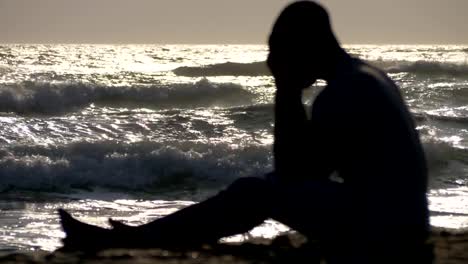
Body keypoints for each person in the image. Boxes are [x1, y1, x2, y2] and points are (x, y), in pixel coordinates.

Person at [59, 1, 431, 262]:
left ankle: (136, 240)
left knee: (256, 192)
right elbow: (304, 171)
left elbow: (295, 171)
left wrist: (285, 90)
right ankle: (140, 236)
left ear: (302, 47)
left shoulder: (342, 93)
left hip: (385, 229)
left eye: (281, 54)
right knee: (262, 187)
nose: (275, 64)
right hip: (403, 219)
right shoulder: (365, 76)